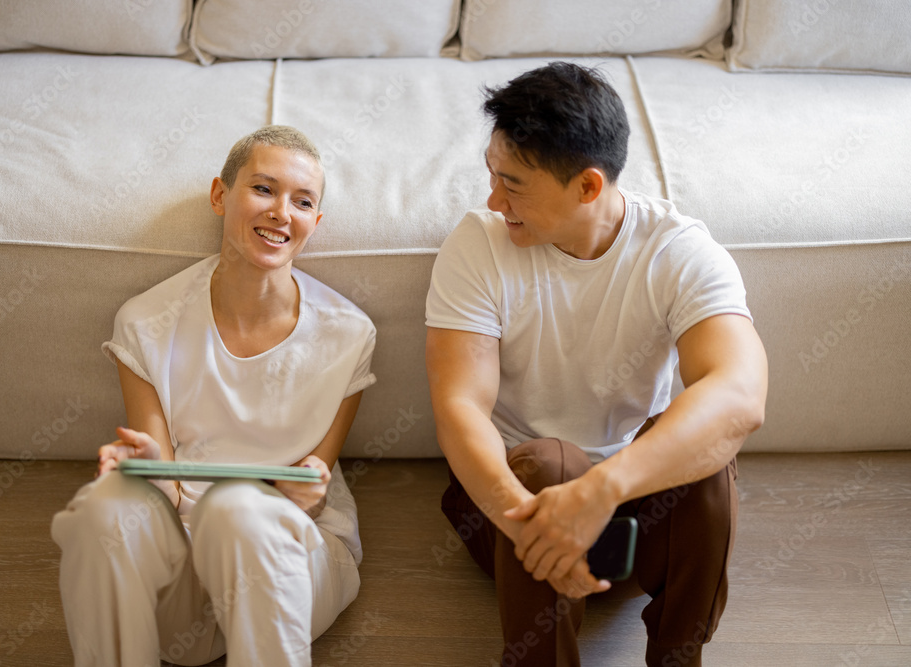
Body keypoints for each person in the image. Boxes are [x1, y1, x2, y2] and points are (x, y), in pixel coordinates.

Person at [425, 62, 768, 667]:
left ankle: (676, 656)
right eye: (491, 175)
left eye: (514, 184)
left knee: (708, 455)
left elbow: (739, 394)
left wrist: (603, 492)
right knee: (550, 464)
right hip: (511, 513)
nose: (493, 199)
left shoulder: (676, 249)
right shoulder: (479, 243)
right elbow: (459, 406)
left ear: (587, 186)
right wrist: (534, 520)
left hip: (631, 515)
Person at [51, 125, 377, 667]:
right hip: (181, 569)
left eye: (302, 201)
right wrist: (153, 469)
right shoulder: (146, 321)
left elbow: (313, 486)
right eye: (264, 189)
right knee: (104, 511)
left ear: (314, 224)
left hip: (291, 562)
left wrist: (304, 494)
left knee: (240, 511)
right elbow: (170, 493)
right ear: (220, 196)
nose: (281, 212)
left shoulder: (349, 333)